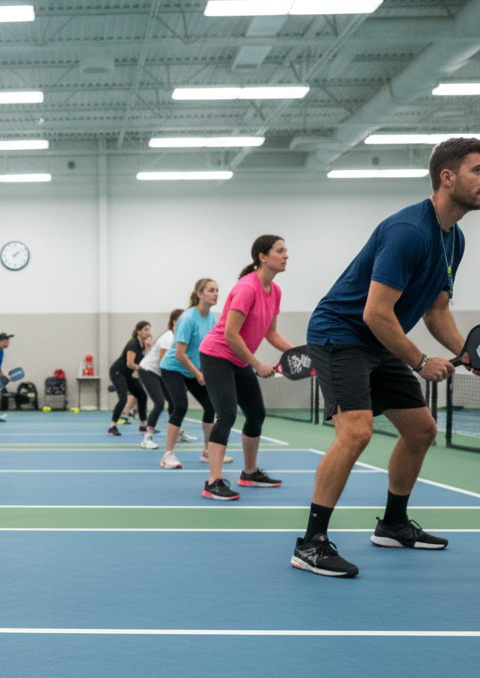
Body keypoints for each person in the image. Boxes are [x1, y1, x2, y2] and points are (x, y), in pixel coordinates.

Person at [292, 138, 478, 578]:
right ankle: (310, 543)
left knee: (421, 430)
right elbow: (374, 312)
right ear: (447, 178)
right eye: (478, 170)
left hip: (379, 340)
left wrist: (463, 353)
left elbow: (436, 310)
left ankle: (394, 524)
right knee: (355, 432)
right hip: (341, 334)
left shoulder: (454, 239)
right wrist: (419, 361)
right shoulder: (409, 231)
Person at [198, 236, 294, 500]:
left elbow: (271, 333)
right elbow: (230, 334)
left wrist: (298, 354)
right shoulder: (247, 288)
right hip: (217, 355)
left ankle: (249, 473)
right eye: (280, 251)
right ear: (262, 256)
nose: (286, 256)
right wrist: (258, 365)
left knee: (256, 414)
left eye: (286, 251)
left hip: (239, 359)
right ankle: (213, 482)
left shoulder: (275, 291)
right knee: (226, 414)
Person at [158, 279, 227, 470]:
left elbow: (209, 347)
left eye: (217, 290)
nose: (216, 294)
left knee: (210, 406)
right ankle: (167, 455)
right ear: (199, 294)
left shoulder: (211, 317)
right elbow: (180, 354)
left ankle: (208, 451)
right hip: (173, 367)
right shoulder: (188, 318)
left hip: (193, 368)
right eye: (211, 290)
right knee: (180, 405)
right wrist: (198, 374)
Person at [138, 309, 182, 447]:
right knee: (159, 402)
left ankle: (177, 433)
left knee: (175, 402)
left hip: (158, 372)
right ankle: (147, 438)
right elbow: (162, 363)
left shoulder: (179, 336)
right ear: (174, 321)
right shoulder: (169, 337)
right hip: (148, 370)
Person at [107, 321, 153, 442]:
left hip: (127, 374)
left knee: (142, 395)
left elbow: (145, 361)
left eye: (149, 329)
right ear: (139, 332)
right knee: (123, 398)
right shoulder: (133, 343)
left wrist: (148, 349)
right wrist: (142, 370)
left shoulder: (143, 346)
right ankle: (112, 426)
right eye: (146, 330)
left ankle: (143, 425)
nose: (148, 332)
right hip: (117, 372)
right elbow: (130, 363)